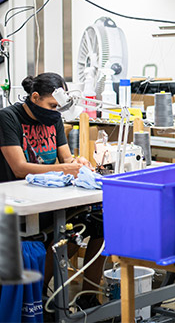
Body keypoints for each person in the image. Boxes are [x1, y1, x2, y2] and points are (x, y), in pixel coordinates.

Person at [0, 72, 104, 312]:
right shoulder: (8, 118)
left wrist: (79, 163)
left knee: (99, 224)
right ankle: (41, 299)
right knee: (59, 236)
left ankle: (89, 295)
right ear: (34, 97)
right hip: (20, 204)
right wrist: (65, 167)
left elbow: (66, 156)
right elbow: (19, 168)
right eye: (52, 105)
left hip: (53, 198)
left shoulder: (54, 119)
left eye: (59, 107)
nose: (56, 111)